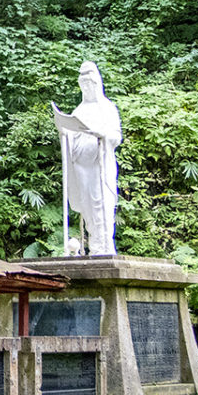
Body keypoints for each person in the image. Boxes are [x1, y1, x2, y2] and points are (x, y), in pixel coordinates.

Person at [55, 61, 121, 255]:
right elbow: (71, 133)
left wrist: (101, 134)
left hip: (99, 166)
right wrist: (64, 132)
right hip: (81, 166)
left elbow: (116, 136)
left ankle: (104, 246)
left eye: (90, 84)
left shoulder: (107, 108)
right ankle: (94, 246)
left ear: (97, 84)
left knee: (101, 203)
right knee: (88, 208)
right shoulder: (80, 111)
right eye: (84, 85)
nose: (87, 88)